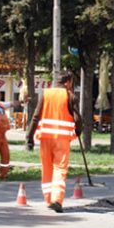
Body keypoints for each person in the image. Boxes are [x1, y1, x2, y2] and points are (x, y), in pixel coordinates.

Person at [26, 71, 82, 213]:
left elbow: (35, 117)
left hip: (45, 138)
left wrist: (29, 137)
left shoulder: (45, 94)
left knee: (47, 168)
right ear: (67, 82)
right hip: (62, 140)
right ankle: (57, 199)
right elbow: (77, 118)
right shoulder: (70, 96)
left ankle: (48, 199)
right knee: (60, 168)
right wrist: (78, 131)